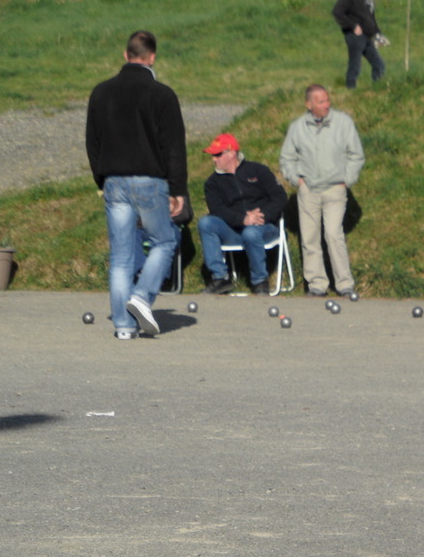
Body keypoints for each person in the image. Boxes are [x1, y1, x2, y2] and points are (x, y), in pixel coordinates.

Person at [86, 30, 187, 339]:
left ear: (125, 54)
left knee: (120, 256)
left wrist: (101, 178)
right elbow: (173, 146)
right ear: (152, 57)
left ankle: (123, 326)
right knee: (165, 241)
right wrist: (178, 188)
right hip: (149, 179)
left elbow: (93, 141)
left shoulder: (101, 93)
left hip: (114, 180)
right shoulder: (162, 94)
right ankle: (142, 296)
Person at [280, 85, 364, 297]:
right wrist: (296, 179)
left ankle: (344, 283)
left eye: (327, 100)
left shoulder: (343, 123)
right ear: (309, 104)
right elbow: (287, 158)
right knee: (309, 238)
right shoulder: (297, 127)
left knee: (334, 234)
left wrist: (347, 179)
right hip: (309, 190)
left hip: (335, 189)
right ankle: (317, 284)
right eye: (321, 102)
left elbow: (356, 154)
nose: (327, 105)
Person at [198, 133, 287, 295]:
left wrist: (264, 216)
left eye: (217, 155)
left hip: (265, 227)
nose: (213, 159)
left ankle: (260, 281)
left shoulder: (259, 171)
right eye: (212, 155)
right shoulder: (212, 183)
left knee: (251, 233)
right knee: (206, 223)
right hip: (234, 229)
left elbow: (279, 197)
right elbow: (218, 209)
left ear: (231, 153)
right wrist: (243, 219)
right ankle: (220, 278)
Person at [332, 0, 387, 89]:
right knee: (355, 65)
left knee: (379, 64)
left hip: (368, 36)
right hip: (355, 36)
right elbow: (337, 11)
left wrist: (377, 33)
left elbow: (370, 17)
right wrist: (353, 26)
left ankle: (378, 88)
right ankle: (350, 88)